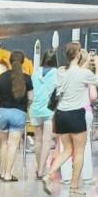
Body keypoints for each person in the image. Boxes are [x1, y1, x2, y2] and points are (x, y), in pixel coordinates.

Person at [41, 42, 98, 197]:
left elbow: (74, 71)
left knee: (66, 149)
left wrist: (85, 63)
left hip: (61, 115)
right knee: (79, 152)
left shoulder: (61, 72)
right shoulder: (83, 74)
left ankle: (49, 175)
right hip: (76, 114)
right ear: (79, 53)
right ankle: (74, 187)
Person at [0, 52, 32, 181]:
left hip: (3, 112)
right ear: (23, 62)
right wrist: (25, 107)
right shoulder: (27, 78)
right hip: (19, 113)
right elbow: (31, 98)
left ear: (9, 61)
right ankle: (8, 174)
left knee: (4, 143)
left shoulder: (1, 77)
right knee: (13, 145)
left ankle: (2, 172)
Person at [29, 51, 59, 179]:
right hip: (49, 110)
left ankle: (38, 166)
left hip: (35, 109)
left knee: (38, 140)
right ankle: (41, 170)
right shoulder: (56, 74)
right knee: (47, 140)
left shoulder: (35, 73)